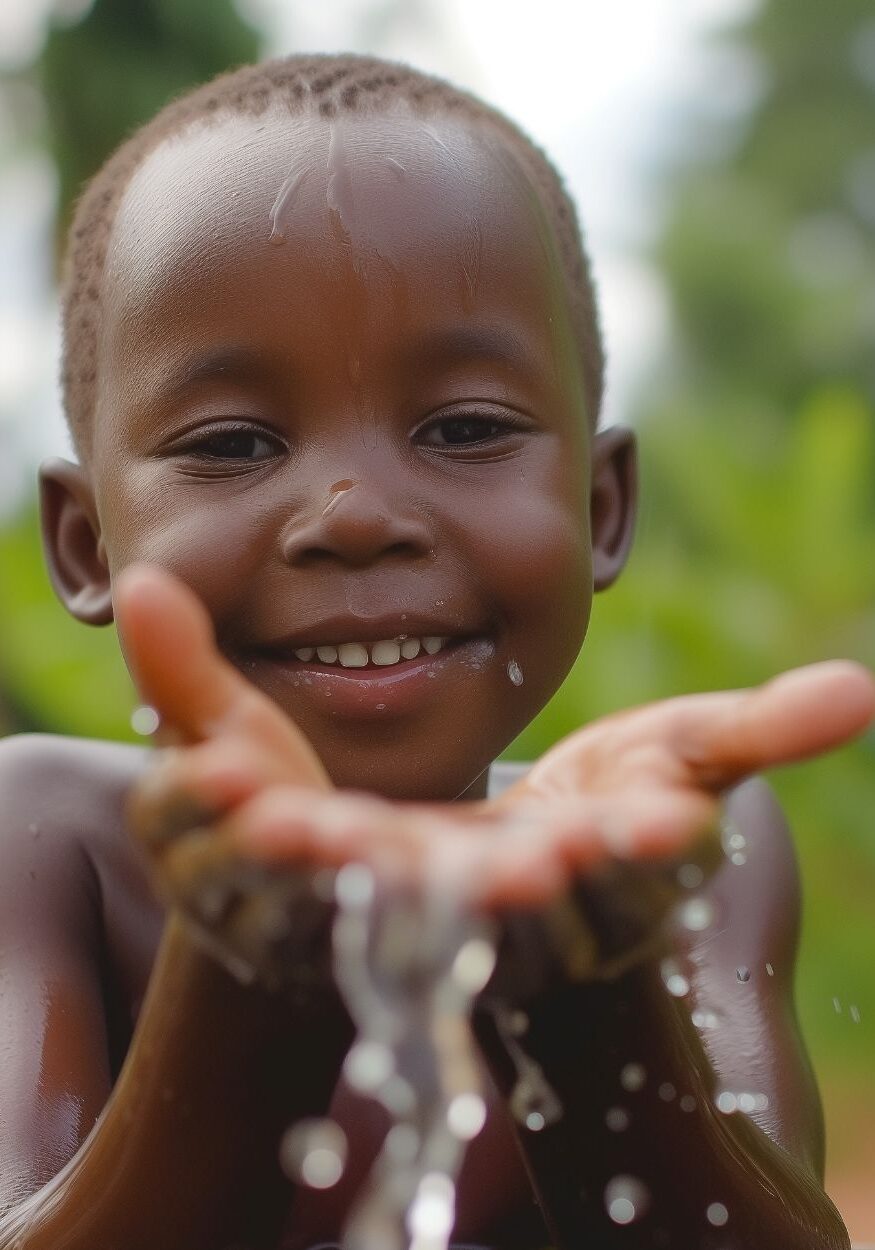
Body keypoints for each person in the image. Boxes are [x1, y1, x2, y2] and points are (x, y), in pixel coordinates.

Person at [0, 53, 871, 1250]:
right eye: (234, 442)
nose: (355, 511)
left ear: (599, 506)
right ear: (88, 542)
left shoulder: (687, 852)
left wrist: (589, 973)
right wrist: (243, 964)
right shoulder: (44, 844)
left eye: (463, 427)